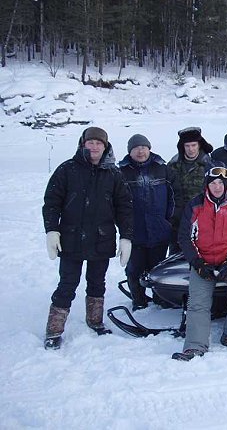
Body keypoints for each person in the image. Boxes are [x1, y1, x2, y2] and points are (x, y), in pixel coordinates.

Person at [42, 127, 133, 350]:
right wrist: (52, 230)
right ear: (82, 144)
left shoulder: (113, 174)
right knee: (67, 284)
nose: (94, 147)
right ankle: (54, 330)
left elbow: (124, 207)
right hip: (71, 239)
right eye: (90, 142)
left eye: (98, 143)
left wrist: (126, 237)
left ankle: (95, 321)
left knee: (97, 282)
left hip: (102, 239)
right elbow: (52, 202)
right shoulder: (67, 169)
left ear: (105, 146)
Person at [172, 166, 227, 361]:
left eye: (220, 183)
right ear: (207, 185)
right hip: (203, 261)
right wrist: (198, 263)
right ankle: (195, 346)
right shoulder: (195, 205)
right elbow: (185, 237)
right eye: (213, 183)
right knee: (198, 301)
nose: (217, 187)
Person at [119, 134, 174, 311]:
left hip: (159, 229)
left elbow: (173, 196)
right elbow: (116, 202)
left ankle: (160, 297)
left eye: (143, 147)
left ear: (149, 149)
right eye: (136, 148)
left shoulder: (162, 168)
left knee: (158, 267)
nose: (140, 151)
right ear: (130, 151)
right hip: (135, 231)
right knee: (134, 268)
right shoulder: (121, 172)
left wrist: (167, 220)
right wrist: (123, 225)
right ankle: (138, 299)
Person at [167, 127, 214, 254]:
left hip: (203, 220)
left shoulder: (209, 165)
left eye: (194, 145)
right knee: (175, 256)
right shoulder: (172, 165)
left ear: (199, 145)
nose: (191, 149)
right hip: (177, 220)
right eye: (187, 146)